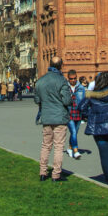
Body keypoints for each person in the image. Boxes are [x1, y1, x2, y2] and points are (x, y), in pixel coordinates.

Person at [33, 55, 71, 183]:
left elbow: (37, 100)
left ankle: (43, 172)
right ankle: (56, 174)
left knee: (45, 146)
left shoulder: (40, 81)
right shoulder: (62, 81)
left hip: (46, 117)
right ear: (61, 66)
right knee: (59, 147)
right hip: (60, 118)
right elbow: (67, 100)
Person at [65, 69, 84, 159]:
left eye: (74, 78)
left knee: (75, 132)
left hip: (78, 113)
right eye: (71, 79)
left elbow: (84, 101)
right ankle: (76, 150)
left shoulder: (81, 88)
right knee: (73, 131)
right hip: (69, 113)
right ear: (68, 78)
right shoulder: (65, 88)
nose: (73, 80)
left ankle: (69, 147)